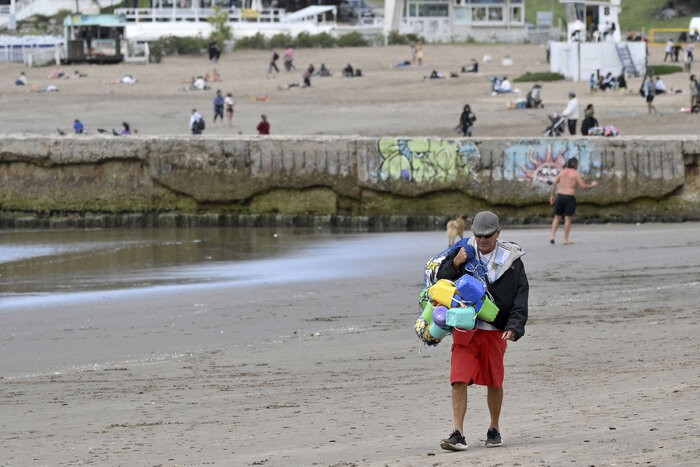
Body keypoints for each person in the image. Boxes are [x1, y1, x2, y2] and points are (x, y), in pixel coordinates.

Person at [436, 210, 529, 451]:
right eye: (478, 235)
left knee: (494, 381)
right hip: (466, 327)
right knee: (458, 378)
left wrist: (515, 327)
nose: (482, 240)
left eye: (487, 235)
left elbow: (521, 297)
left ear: (498, 232)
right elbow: (440, 281)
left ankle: (494, 429)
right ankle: (458, 433)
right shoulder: (463, 252)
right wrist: (455, 264)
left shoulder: (512, 261)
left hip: (495, 330)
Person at [549, 157, 599, 244]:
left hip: (560, 196)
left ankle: (552, 236)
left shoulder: (562, 172)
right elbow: (583, 186)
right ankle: (566, 239)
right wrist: (592, 185)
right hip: (569, 197)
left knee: (557, 217)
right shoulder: (575, 173)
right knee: (568, 219)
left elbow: (554, 184)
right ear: (575, 165)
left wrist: (552, 196)